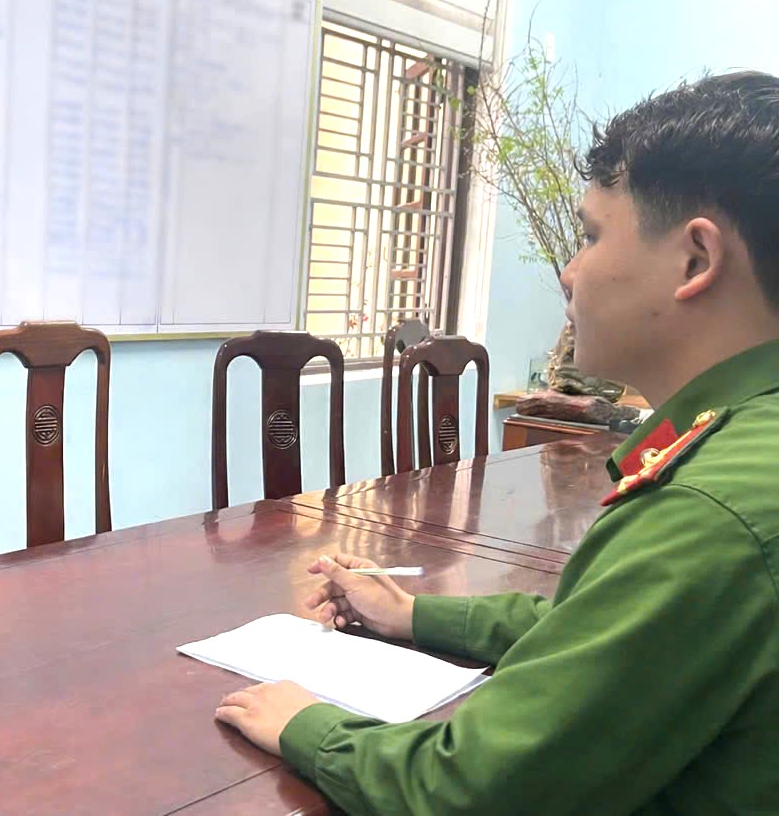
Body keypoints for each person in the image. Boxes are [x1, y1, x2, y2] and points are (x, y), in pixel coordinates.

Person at [215, 71, 779, 812]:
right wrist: (411, 614)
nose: (569, 274)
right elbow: (601, 631)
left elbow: (474, 789)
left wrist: (307, 725)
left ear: (695, 261)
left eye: (591, 236)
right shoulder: (750, 447)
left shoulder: (709, 511)